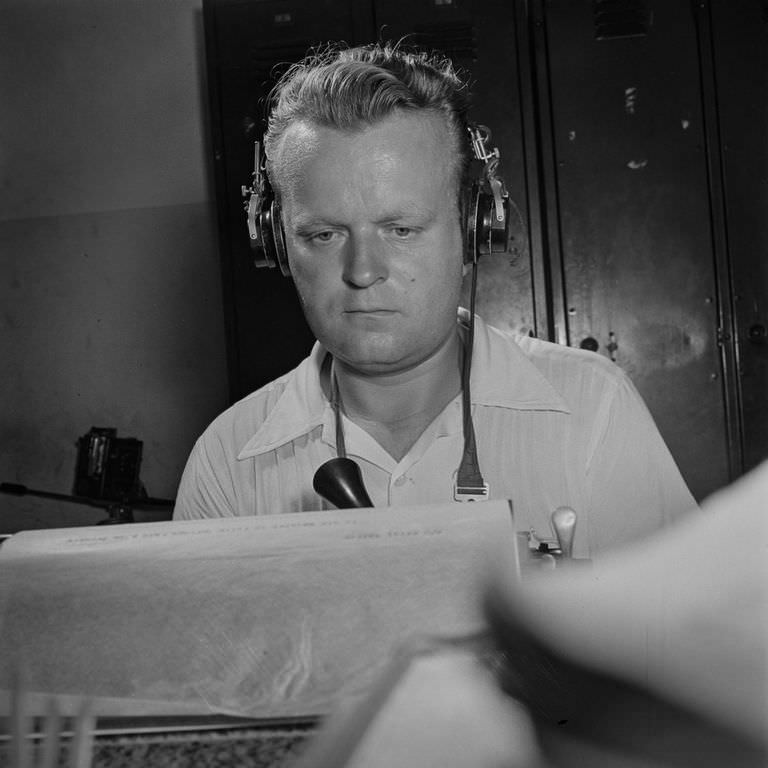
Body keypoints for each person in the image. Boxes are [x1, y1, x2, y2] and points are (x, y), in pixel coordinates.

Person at [173, 42, 696, 558]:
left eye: (401, 229)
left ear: (473, 232)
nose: (362, 271)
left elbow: (694, 635)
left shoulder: (594, 408)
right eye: (324, 235)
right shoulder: (227, 462)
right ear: (276, 245)